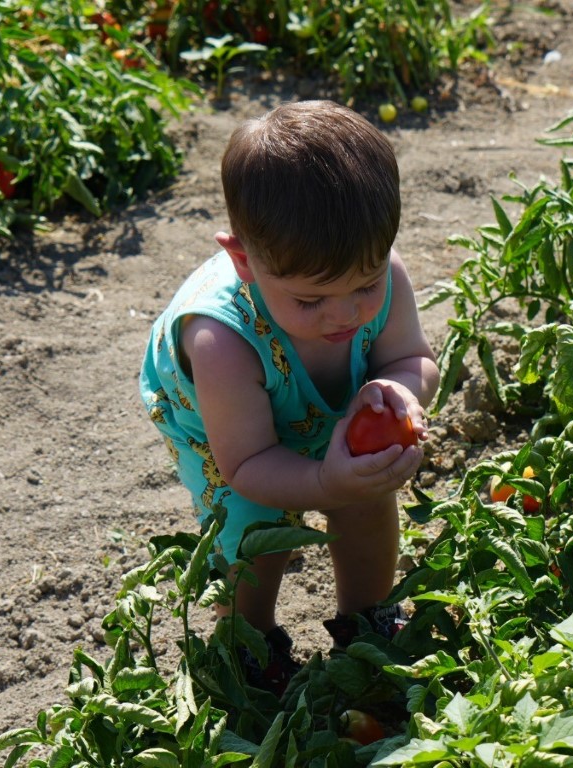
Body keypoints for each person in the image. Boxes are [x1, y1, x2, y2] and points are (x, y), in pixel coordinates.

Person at [138, 100, 438, 695]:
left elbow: (414, 359)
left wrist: (399, 392)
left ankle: (368, 619)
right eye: (310, 301)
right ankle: (248, 644)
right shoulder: (220, 341)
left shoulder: (382, 275)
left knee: (366, 497)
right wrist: (323, 485)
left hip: (319, 412)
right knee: (254, 529)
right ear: (243, 261)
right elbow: (247, 465)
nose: (346, 313)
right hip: (224, 430)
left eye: (366, 285)